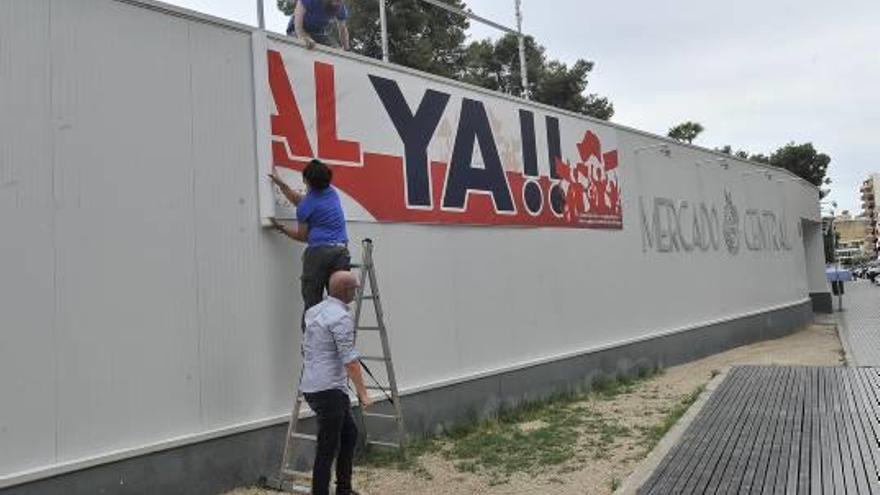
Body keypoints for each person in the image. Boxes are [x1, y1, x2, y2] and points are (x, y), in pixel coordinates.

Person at [300, 271, 370, 495]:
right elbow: (349, 358)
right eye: (355, 289)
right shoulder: (340, 317)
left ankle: (344, 489)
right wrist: (363, 393)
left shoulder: (313, 311)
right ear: (347, 291)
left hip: (314, 386)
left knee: (348, 434)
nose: (357, 292)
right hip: (329, 389)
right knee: (328, 447)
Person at [269, 159, 351, 313]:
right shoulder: (332, 193)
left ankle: (312, 336)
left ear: (308, 181)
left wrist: (282, 228)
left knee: (313, 305)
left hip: (318, 254)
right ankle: (339, 335)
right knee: (339, 304)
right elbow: (299, 200)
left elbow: (303, 236)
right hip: (341, 252)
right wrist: (282, 185)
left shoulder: (306, 207)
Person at [286, 0, 351, 51]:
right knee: (305, 44)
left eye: (339, 1)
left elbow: (342, 29)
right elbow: (298, 17)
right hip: (297, 29)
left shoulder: (340, 7)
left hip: (318, 34)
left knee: (335, 49)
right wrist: (302, 36)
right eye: (334, 1)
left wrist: (346, 49)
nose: (336, 4)